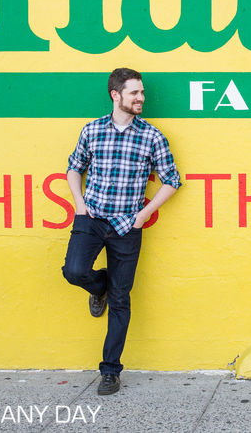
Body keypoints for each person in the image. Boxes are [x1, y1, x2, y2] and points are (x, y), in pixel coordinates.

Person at [62, 68, 182, 395]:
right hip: (93, 217)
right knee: (73, 272)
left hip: (127, 225)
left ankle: (110, 371)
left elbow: (172, 180)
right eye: (134, 93)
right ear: (116, 95)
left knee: (120, 298)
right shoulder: (92, 131)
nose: (141, 98)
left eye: (142, 93)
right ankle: (96, 286)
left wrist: (143, 215)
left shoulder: (152, 136)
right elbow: (75, 167)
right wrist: (79, 204)